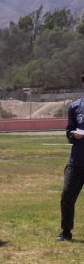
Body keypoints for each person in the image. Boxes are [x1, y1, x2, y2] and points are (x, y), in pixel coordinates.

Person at [59, 76, 84, 241]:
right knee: (67, 196)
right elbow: (68, 132)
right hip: (77, 162)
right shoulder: (75, 106)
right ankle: (66, 231)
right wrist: (74, 136)